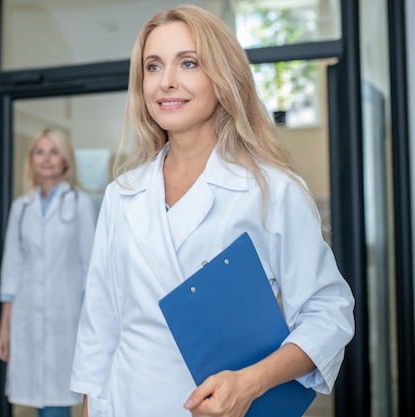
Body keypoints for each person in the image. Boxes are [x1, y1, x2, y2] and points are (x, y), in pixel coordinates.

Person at [70, 5, 355, 417]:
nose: (166, 82)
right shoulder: (122, 194)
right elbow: (99, 327)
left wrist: (250, 382)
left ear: (222, 77)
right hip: (125, 402)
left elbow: (328, 313)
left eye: (188, 63)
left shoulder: (271, 190)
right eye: (153, 67)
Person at [0, 127, 96, 417]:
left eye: (54, 152)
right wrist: (5, 327)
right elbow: (12, 268)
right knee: (36, 398)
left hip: (68, 318)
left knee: (58, 399)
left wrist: (91, 325)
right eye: (40, 152)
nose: (47, 159)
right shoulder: (21, 207)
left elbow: (90, 269)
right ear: (32, 160)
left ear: (66, 160)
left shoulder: (80, 203)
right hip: (26, 315)